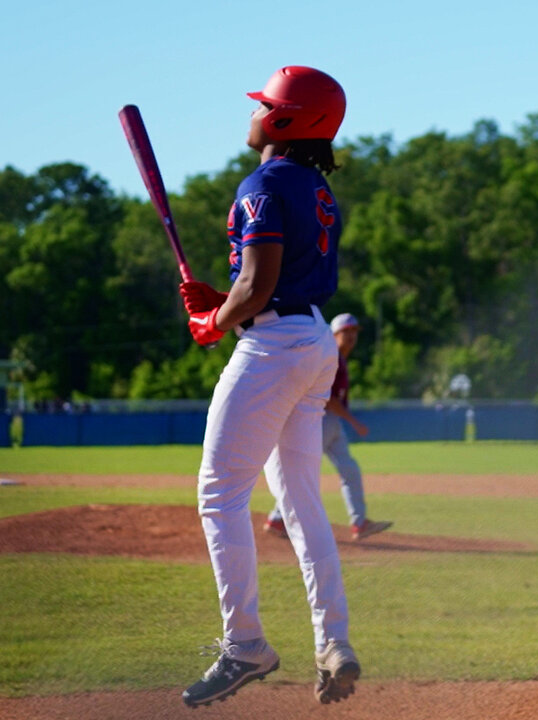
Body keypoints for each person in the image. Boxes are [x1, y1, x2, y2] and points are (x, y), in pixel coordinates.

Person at [177, 66, 362, 708]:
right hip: (309, 343)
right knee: (301, 501)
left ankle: (245, 644)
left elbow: (258, 287)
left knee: (219, 493)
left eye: (265, 104)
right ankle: (334, 641)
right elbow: (263, 284)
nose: (255, 111)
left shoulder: (262, 180)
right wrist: (223, 302)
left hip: (275, 343)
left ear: (285, 120)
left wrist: (212, 321)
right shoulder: (313, 184)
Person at [264, 313, 393, 541]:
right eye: (346, 331)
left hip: (332, 423)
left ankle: (359, 523)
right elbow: (329, 399)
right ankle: (277, 517)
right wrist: (354, 421)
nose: (352, 335)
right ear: (333, 335)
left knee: (349, 469)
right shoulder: (329, 357)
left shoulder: (339, 359)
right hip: (319, 420)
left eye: (354, 331)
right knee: (302, 472)